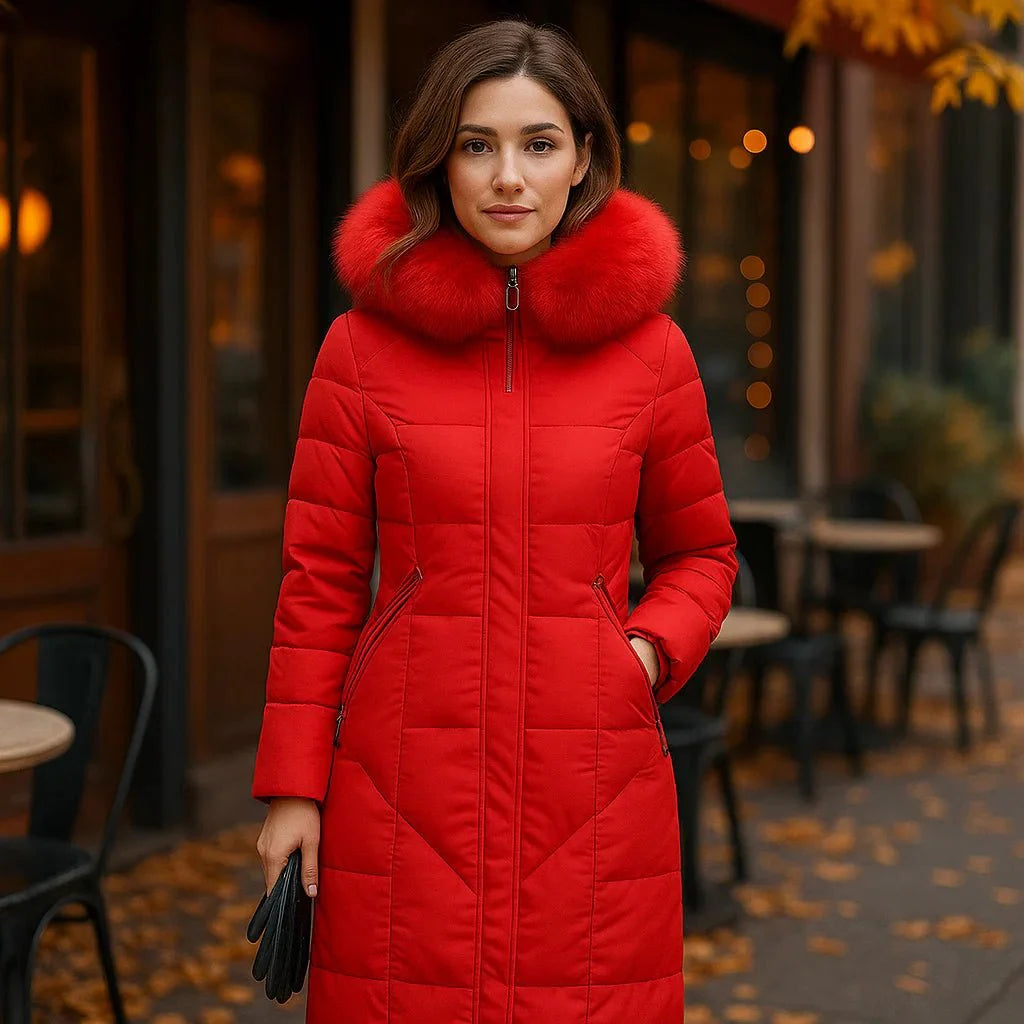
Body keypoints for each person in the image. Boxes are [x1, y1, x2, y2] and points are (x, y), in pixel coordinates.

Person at [252, 16, 737, 1024]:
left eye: (538, 142)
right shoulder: (359, 347)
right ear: (440, 160)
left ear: (584, 159)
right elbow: (320, 582)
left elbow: (700, 552)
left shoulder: (653, 353)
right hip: (397, 796)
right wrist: (294, 789)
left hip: (596, 792)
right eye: (477, 144)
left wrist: (640, 654)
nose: (507, 176)